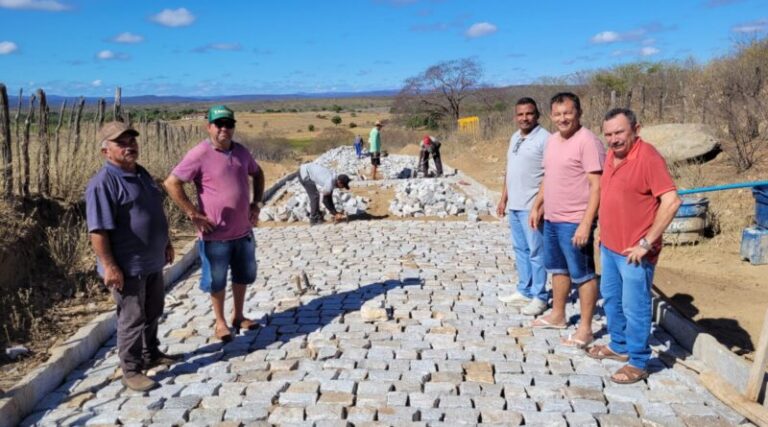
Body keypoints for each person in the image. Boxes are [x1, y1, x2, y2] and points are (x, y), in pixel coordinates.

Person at [587, 108, 681, 384]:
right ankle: (619, 345)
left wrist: (645, 242)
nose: (613, 139)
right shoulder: (611, 159)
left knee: (635, 305)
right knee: (612, 299)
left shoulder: (648, 157)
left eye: (619, 133)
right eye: (608, 134)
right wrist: (603, 231)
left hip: (635, 254)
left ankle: (639, 361)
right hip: (610, 247)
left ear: (636, 129)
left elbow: (672, 201)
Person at [86, 121, 179, 392]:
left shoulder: (141, 173)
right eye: (121, 143)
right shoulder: (102, 184)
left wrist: (166, 242)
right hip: (127, 266)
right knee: (131, 318)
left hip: (151, 261)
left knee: (153, 310)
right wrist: (109, 266)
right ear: (106, 151)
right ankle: (131, 369)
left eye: (132, 141)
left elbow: (153, 212)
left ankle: (152, 353)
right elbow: (98, 230)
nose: (130, 146)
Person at [164, 105, 265, 342]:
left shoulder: (241, 152)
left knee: (243, 275)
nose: (224, 129)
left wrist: (256, 204)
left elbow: (257, 174)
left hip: (243, 232)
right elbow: (171, 183)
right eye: (218, 124)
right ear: (208, 127)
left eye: (228, 124)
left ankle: (238, 316)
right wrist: (193, 213)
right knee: (216, 280)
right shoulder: (199, 154)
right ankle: (220, 323)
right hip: (215, 235)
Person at [529, 92, 605, 348]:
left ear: (579, 113)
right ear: (551, 116)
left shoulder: (588, 142)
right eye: (558, 114)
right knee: (557, 269)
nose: (563, 119)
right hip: (552, 217)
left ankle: (585, 328)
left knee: (582, 274)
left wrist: (586, 223)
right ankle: (558, 315)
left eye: (568, 113)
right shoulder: (551, 141)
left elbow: (597, 186)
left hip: (575, 220)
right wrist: (538, 204)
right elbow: (549, 177)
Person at [496, 98, 550, 316]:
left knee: (537, 251)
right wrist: (503, 198)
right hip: (515, 205)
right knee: (521, 250)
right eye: (520, 114)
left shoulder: (545, 139)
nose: (524, 118)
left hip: (532, 206)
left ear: (537, 115)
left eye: (529, 114)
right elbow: (510, 169)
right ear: (515, 116)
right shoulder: (515, 137)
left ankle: (540, 296)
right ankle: (524, 290)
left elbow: (550, 174)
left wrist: (540, 205)